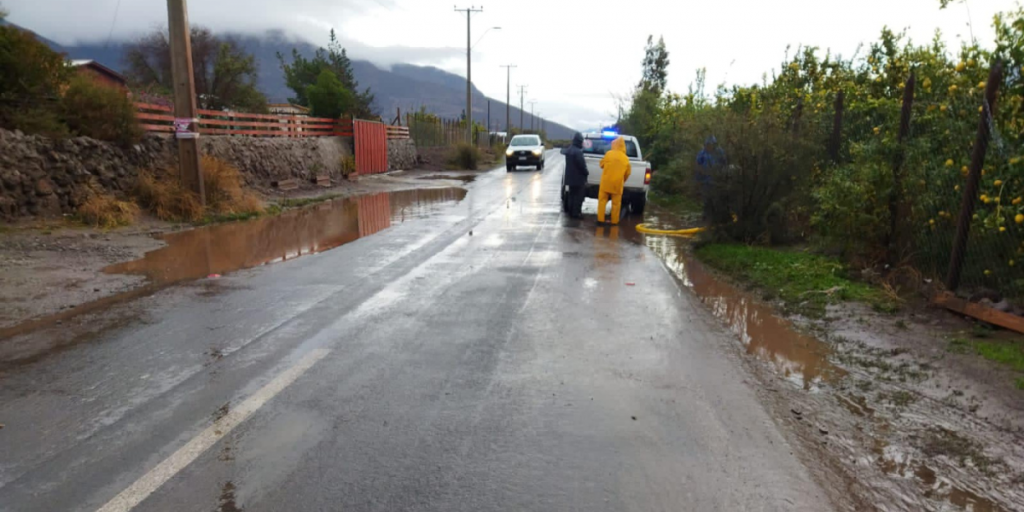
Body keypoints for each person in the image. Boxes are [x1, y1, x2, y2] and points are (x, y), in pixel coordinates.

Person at [597, 136, 631, 225]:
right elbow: (628, 173)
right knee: (616, 204)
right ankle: (614, 222)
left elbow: (601, 165)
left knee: (602, 201)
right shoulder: (626, 159)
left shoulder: (608, 154)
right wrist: (623, 180)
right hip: (617, 185)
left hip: (605, 184)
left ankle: (600, 220)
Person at [695, 135, 725, 220]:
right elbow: (697, 166)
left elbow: (724, 163)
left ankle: (716, 217)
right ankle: (706, 216)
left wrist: (721, 176)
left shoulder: (720, 152)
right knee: (706, 199)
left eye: (711, 144)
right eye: (707, 144)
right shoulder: (702, 154)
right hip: (705, 181)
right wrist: (698, 180)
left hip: (717, 180)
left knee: (716, 199)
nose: (709, 146)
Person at [562, 132, 589, 219]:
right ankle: (576, 213)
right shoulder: (578, 152)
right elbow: (582, 165)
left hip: (570, 178)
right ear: (579, 141)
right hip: (578, 178)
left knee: (571, 196)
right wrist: (586, 172)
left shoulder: (569, 150)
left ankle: (571, 212)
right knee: (578, 197)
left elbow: (562, 151)